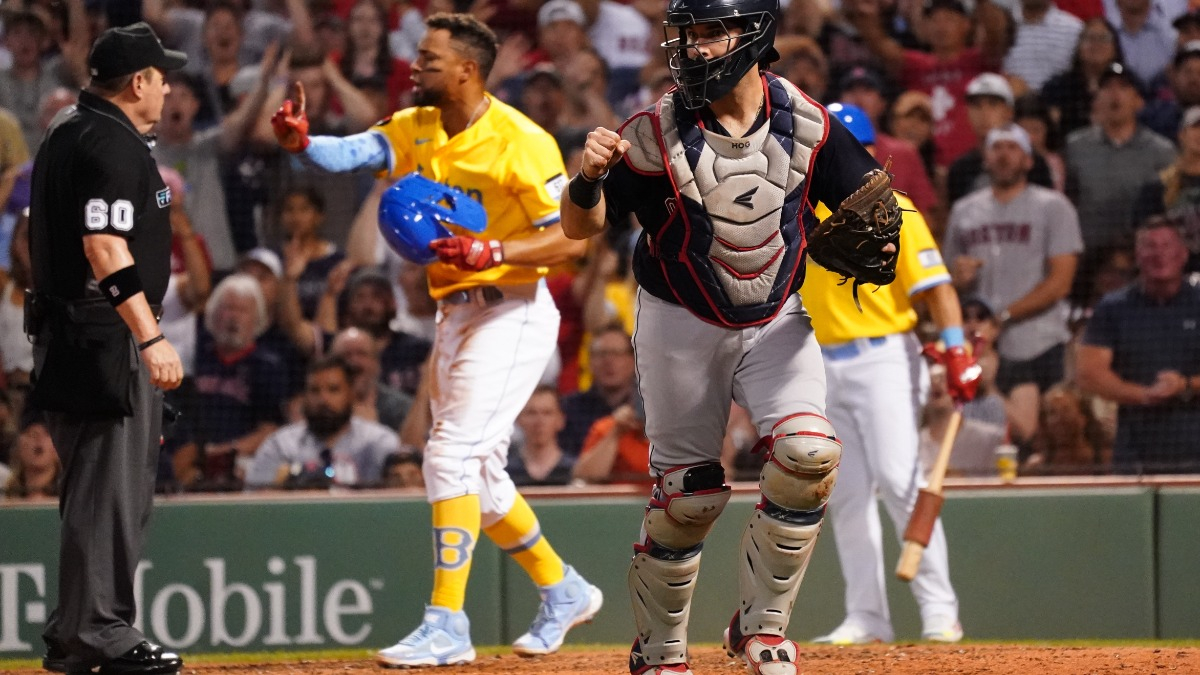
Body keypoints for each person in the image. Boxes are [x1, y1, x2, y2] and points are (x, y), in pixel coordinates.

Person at [560, 0, 902, 670]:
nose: (692, 49)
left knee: (808, 456)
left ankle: (762, 628)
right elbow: (581, 230)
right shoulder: (653, 132)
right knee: (689, 494)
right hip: (678, 320)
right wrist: (588, 178)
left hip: (776, 316)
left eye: (709, 33)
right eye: (685, 35)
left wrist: (878, 225)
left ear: (755, 34)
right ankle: (658, 649)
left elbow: (870, 203)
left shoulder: (807, 121)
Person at [270, 12, 600, 667]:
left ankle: (447, 622)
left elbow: (573, 235)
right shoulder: (416, 123)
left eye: (428, 58)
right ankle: (562, 588)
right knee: (478, 472)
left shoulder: (520, 140)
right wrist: (304, 142)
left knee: (448, 454)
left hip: (513, 310)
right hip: (457, 312)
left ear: (467, 70)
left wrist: (495, 247)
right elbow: (356, 151)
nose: (414, 66)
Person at [27, 22, 186, 675]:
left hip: (69, 331)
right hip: (103, 333)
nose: (169, 84)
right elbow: (104, 246)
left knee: (94, 488)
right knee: (109, 488)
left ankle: (77, 629)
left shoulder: (70, 124)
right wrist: (148, 335)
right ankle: (100, 628)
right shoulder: (112, 146)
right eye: (161, 74)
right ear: (140, 82)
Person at [803, 103, 977, 645]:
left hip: (884, 358)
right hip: (820, 363)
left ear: (873, 158)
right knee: (847, 496)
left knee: (902, 481)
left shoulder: (897, 212)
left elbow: (937, 288)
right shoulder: (796, 215)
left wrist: (955, 350)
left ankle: (939, 613)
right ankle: (867, 617)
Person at [945, 124, 1084, 444]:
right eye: (997, 148)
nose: (1004, 155)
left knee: (1044, 438)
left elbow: (1061, 282)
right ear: (985, 158)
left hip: (1039, 342)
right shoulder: (964, 210)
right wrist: (959, 278)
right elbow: (947, 278)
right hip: (980, 347)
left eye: (1013, 148)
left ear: (1028, 160)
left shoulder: (1054, 207)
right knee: (987, 435)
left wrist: (1003, 317)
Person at [1077, 216, 1200, 473]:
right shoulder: (1113, 308)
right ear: (1137, 255)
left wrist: (1186, 385)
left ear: (1184, 254)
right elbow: (1090, 374)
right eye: (1150, 246)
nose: (1159, 254)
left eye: (1166, 246)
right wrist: (1143, 395)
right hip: (1136, 452)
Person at [246, 355, 401, 488]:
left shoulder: (378, 440)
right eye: (314, 391)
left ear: (351, 394)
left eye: (333, 390)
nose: (323, 399)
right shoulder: (281, 445)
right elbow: (254, 504)